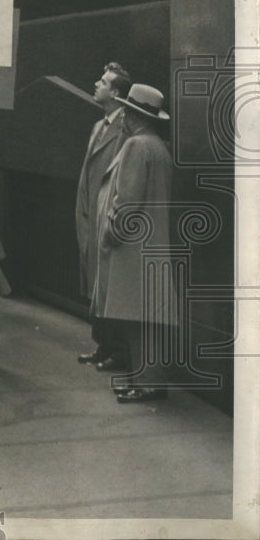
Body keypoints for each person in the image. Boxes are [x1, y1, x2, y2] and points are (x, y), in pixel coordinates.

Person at [93, 84, 176, 404]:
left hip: (132, 249)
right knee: (147, 320)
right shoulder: (157, 147)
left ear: (136, 116)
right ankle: (146, 378)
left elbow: (125, 203)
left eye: (127, 110)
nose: (123, 114)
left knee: (137, 320)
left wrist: (111, 233)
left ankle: (148, 383)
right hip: (152, 244)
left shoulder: (135, 147)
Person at [75, 62, 132, 370]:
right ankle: (103, 345)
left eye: (103, 81)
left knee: (109, 284)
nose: (97, 84)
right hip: (90, 211)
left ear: (116, 92)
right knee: (97, 283)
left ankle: (118, 350)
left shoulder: (125, 128)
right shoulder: (100, 125)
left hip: (106, 214)